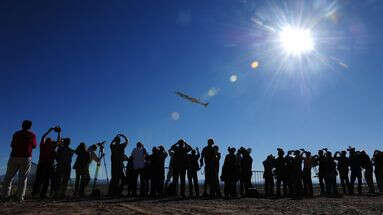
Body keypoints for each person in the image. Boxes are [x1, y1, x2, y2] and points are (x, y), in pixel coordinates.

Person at [1, 120, 37, 202]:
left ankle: (4, 196)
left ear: (22, 125)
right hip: (26, 157)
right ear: (30, 126)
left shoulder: (16, 134)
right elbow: (34, 146)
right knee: (23, 178)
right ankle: (20, 197)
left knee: (8, 177)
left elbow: (12, 145)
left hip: (14, 156)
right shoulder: (32, 135)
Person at [32, 126, 61, 199]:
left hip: (41, 163)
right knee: (46, 180)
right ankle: (43, 194)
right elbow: (58, 141)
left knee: (38, 179)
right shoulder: (52, 147)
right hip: (49, 164)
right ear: (51, 142)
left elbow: (43, 136)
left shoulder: (42, 146)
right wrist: (59, 132)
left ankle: (35, 193)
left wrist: (49, 130)